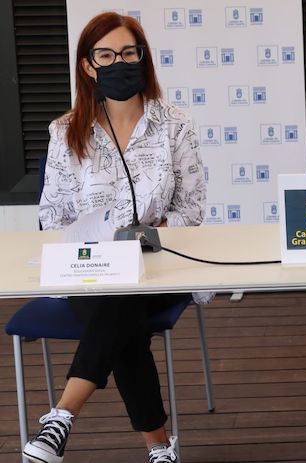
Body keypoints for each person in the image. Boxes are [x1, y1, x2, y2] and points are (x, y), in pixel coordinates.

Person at [25, 12, 205, 463]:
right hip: (90, 269)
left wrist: (150, 234)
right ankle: (159, 448)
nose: (118, 62)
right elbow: (52, 217)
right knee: (121, 313)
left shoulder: (175, 124)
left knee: (120, 303)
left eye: (128, 53)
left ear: (142, 58)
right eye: (106, 55)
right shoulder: (65, 131)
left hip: (160, 266)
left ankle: (62, 417)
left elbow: (191, 209)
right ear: (88, 65)